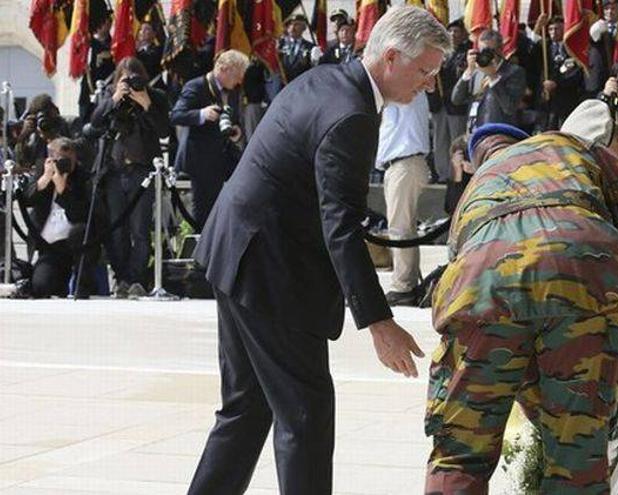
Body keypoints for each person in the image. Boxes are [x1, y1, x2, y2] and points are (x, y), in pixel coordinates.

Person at [187, 7, 451, 494]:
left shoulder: (330, 80)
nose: (431, 85)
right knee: (304, 414)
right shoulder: (352, 113)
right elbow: (340, 227)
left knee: (246, 408)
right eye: (426, 70)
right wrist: (379, 322)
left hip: (240, 250)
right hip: (270, 270)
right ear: (391, 57)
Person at [424, 102, 618, 493]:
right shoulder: (571, 147)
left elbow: (458, 269)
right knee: (574, 454)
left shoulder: (477, 187)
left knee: (460, 451)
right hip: (580, 280)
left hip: (482, 290)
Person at [91, 57, 170, 298]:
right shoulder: (111, 96)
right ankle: (122, 278)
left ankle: (137, 279)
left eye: (135, 77)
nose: (131, 82)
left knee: (139, 229)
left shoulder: (155, 96)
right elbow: (94, 123)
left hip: (141, 171)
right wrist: (115, 98)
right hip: (115, 171)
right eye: (125, 78)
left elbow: (165, 131)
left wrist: (146, 104)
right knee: (117, 230)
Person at [170, 49, 247, 231]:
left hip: (223, 156)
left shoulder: (232, 91)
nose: (239, 81)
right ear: (224, 69)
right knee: (205, 210)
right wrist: (201, 114)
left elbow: (231, 120)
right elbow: (176, 115)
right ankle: (203, 250)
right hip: (200, 158)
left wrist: (236, 131)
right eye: (236, 75)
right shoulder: (196, 86)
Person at [19, 138, 96, 298]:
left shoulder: (83, 177)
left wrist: (63, 191)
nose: (66, 164)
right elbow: (26, 200)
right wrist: (45, 179)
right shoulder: (43, 169)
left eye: (70, 159)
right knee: (41, 287)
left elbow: (83, 215)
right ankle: (58, 283)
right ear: (51, 158)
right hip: (49, 245)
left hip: (75, 244)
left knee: (80, 232)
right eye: (61, 159)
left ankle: (81, 286)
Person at [376, 92, 432, 306]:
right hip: (399, 165)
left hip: (405, 163)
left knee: (400, 229)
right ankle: (407, 281)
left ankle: (403, 287)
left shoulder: (408, 93)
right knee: (401, 227)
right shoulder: (402, 95)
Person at [452, 29, 527, 133]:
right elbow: (456, 99)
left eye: (489, 51)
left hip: (498, 135)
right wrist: (468, 71)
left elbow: (509, 108)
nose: (485, 55)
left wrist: (493, 77)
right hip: (474, 132)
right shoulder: (476, 72)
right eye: (482, 51)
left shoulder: (514, 72)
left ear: (500, 50)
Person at [427, 18, 471, 183]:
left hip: (456, 104)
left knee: (456, 140)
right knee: (440, 140)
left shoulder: (465, 52)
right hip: (439, 103)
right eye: (450, 31)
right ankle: (443, 173)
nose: (452, 34)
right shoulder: (440, 52)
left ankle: (457, 173)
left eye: (456, 31)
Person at [531, 16, 585, 130]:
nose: (553, 32)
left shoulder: (572, 48)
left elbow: (577, 73)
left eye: (557, 29)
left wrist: (557, 83)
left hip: (565, 100)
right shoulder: (544, 46)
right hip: (545, 101)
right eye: (550, 29)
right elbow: (530, 52)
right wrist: (538, 27)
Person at [14, 95, 70, 174]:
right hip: (38, 175)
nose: (43, 121)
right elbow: (22, 162)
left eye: (46, 115)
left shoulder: (66, 124)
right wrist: (23, 135)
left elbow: (73, 149)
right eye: (39, 117)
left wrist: (51, 136)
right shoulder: (32, 133)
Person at [78, 16, 115, 120]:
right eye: (99, 23)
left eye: (104, 23)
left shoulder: (114, 45)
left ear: (109, 25)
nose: (101, 26)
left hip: (107, 89)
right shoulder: (88, 43)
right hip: (88, 90)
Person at [278, 14, 318, 85]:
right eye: (290, 24)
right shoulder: (280, 44)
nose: (292, 28)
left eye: (296, 25)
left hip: (300, 86)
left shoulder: (310, 47)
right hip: (282, 87)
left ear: (304, 27)